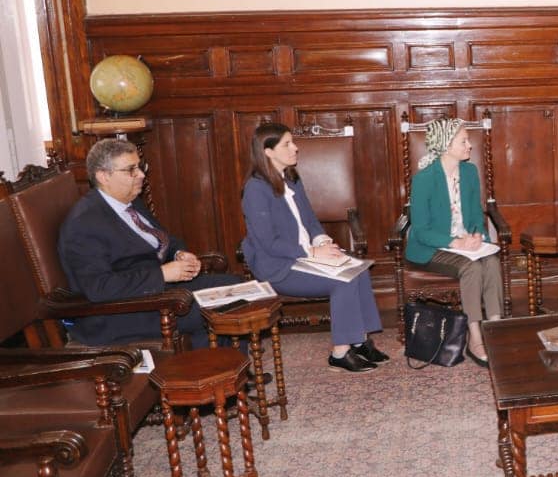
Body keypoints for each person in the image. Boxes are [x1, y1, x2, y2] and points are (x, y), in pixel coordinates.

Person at [58, 138, 243, 347]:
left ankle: (231, 363)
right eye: (131, 170)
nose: (141, 175)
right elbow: (100, 288)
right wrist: (162, 274)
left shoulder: (130, 201)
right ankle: (218, 362)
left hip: (157, 293)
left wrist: (178, 254)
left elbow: (161, 239)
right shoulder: (84, 224)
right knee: (227, 306)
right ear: (103, 176)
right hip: (123, 313)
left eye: (140, 166)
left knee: (240, 289)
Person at [241, 123, 388, 373]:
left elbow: (309, 219)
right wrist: (311, 252)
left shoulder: (291, 178)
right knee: (343, 281)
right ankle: (340, 353)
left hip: (304, 256)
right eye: (287, 144)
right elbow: (268, 242)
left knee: (359, 270)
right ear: (267, 151)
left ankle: (359, 340)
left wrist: (322, 241)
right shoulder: (255, 189)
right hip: (278, 266)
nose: (295, 148)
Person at [403, 118, 506, 367]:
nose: (470, 145)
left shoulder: (469, 172)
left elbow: (475, 216)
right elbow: (421, 230)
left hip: (465, 245)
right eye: (464, 141)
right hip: (433, 247)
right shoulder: (424, 179)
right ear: (446, 145)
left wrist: (478, 235)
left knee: (492, 262)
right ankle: (475, 337)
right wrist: (455, 243)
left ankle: (495, 330)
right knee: (472, 268)